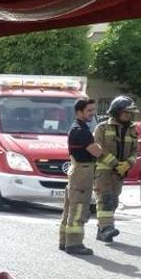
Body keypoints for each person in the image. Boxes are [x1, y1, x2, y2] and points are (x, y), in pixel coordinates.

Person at [58, 99, 104, 255]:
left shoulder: (78, 128)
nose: (92, 113)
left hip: (78, 170)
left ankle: (64, 241)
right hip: (83, 172)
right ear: (79, 112)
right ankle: (74, 243)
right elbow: (97, 152)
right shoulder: (82, 131)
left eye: (93, 110)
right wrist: (100, 146)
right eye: (89, 110)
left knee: (70, 208)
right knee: (79, 208)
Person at [93, 95, 140, 243]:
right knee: (105, 199)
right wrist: (115, 163)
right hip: (103, 171)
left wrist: (128, 164)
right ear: (116, 111)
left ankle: (102, 229)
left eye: (130, 112)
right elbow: (97, 148)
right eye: (125, 112)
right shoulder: (102, 127)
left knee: (113, 201)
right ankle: (107, 228)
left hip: (119, 173)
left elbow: (135, 151)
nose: (128, 115)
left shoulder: (133, 130)